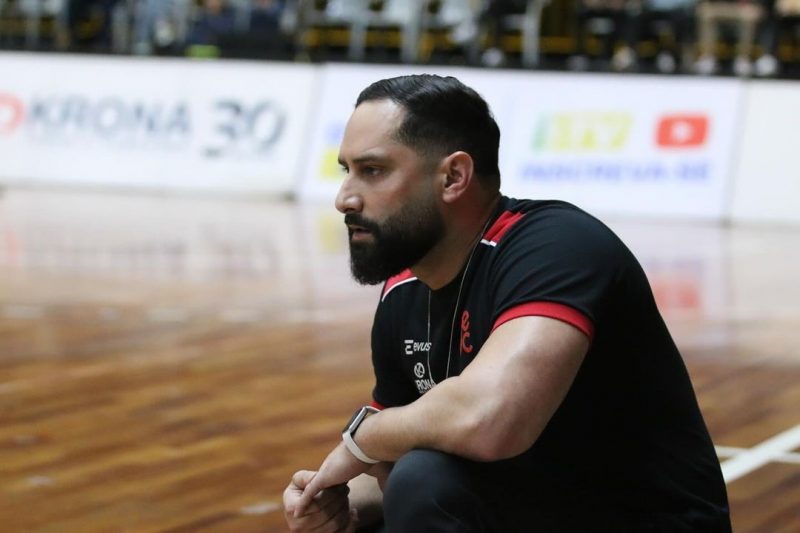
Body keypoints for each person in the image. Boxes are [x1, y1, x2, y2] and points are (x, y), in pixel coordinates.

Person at [283, 74, 732, 532]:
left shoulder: (557, 246)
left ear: (454, 176)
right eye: (346, 171)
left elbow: (489, 418)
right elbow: (395, 452)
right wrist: (340, 501)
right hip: (541, 507)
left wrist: (362, 438)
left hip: (646, 520)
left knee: (426, 482)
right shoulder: (404, 289)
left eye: (373, 170)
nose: (344, 198)